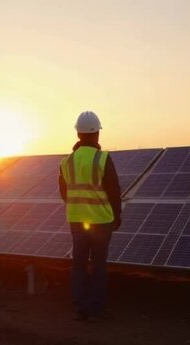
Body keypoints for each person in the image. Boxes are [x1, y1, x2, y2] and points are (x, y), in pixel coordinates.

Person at [58, 111, 122, 321]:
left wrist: (79, 206)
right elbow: (114, 191)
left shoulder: (67, 162)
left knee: (79, 264)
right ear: (97, 135)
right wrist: (117, 216)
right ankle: (96, 309)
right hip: (101, 221)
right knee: (98, 265)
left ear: (78, 133)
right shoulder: (102, 158)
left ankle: (80, 307)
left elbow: (64, 192)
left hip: (77, 221)